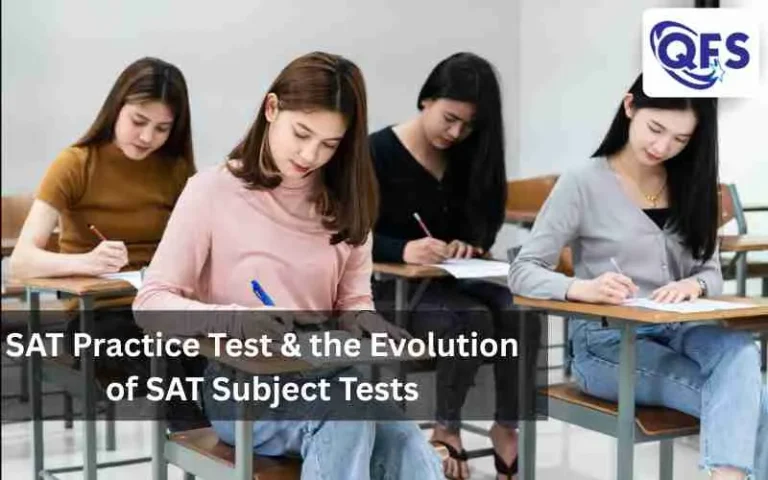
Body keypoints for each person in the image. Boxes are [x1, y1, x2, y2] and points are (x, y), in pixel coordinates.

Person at [133, 51, 444, 480]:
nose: (311, 154)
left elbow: (352, 300)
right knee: (350, 414)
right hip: (244, 389)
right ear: (271, 108)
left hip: (334, 375)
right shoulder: (211, 192)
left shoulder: (347, 203)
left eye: (330, 144)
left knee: (407, 441)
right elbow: (150, 304)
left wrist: (364, 319)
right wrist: (238, 322)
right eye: (301, 133)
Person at [508, 73, 767, 480]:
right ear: (630, 107)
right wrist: (581, 288)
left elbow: (710, 272)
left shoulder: (692, 185)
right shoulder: (582, 182)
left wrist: (694, 284)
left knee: (741, 352)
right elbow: (523, 271)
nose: (663, 147)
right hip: (609, 346)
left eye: (680, 140)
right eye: (656, 129)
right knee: (755, 405)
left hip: (684, 331)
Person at [9, 56, 205, 430]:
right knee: (166, 354)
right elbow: (21, 262)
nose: (148, 137)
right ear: (116, 107)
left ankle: (225, 452)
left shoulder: (176, 170)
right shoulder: (75, 164)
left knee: (212, 351)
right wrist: (86, 262)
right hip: (96, 317)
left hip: (160, 307)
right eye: (138, 121)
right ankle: (204, 454)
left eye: (163, 128)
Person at [371, 52, 540, 480]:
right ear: (426, 99)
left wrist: (471, 243)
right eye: (449, 118)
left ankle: (507, 426)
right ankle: (446, 429)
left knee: (521, 312)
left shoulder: (469, 154)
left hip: (454, 281)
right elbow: (347, 235)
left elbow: (483, 226)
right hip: (392, 287)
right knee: (470, 320)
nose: (456, 132)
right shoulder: (377, 153)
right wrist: (402, 249)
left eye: (467, 126)